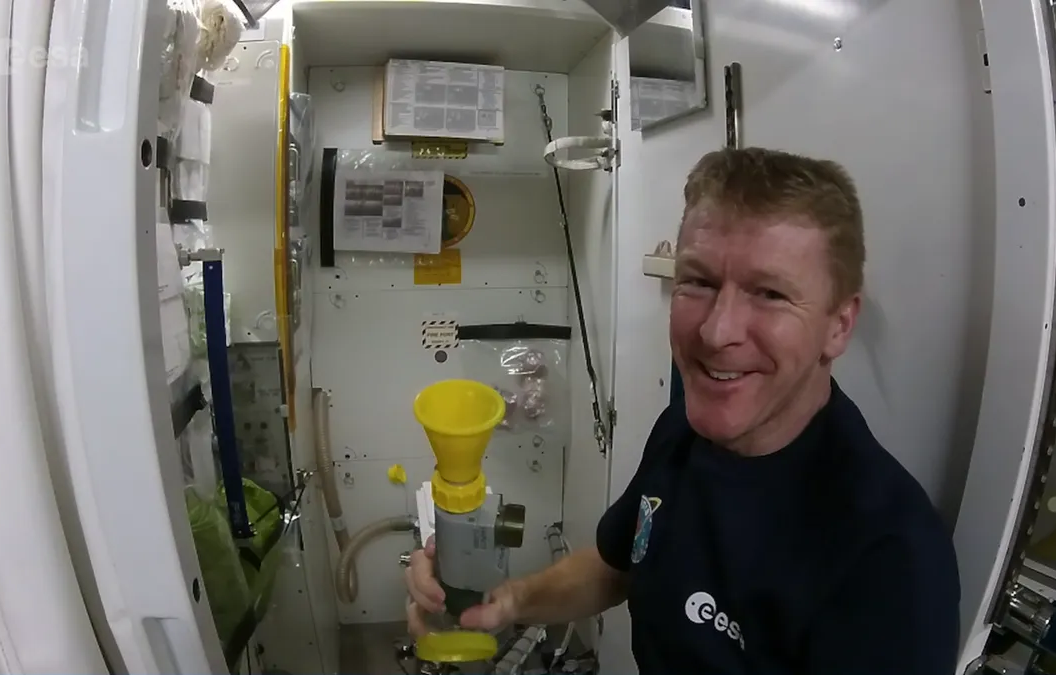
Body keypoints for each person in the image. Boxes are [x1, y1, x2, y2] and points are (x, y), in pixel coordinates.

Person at [406, 147, 961, 674]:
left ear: (838, 325)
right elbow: (616, 565)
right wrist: (508, 602)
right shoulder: (684, 429)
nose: (717, 332)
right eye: (698, 281)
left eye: (769, 294)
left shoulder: (889, 557)